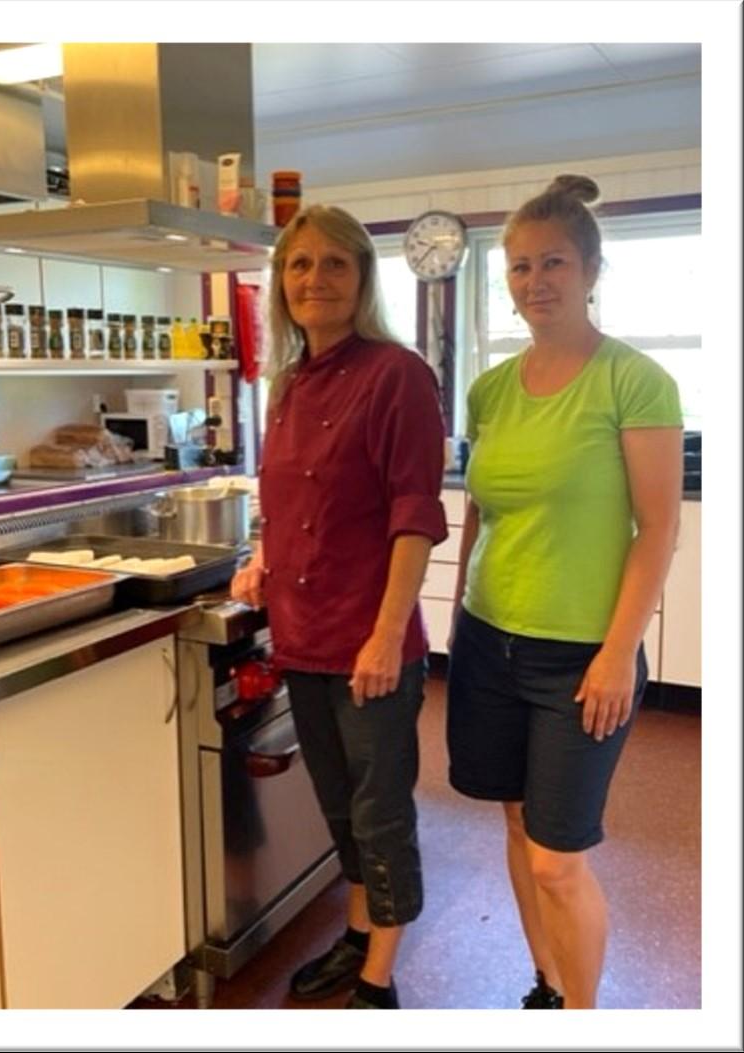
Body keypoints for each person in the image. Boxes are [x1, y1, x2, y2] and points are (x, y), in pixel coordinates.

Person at [445, 174, 683, 1009]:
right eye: (518, 265)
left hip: (579, 656)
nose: (534, 280)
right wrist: (457, 619)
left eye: (552, 262)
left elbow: (657, 526)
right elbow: (479, 513)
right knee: (515, 820)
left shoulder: (633, 380)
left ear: (589, 270)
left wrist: (618, 653)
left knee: (557, 856)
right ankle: (545, 985)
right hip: (487, 641)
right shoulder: (489, 390)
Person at [231, 204, 447, 1009]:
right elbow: (287, 501)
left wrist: (387, 635)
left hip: (368, 640)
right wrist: (261, 557)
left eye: (333, 263)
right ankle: (358, 935)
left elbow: (413, 513)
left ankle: (378, 982)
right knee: (338, 805)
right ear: (280, 282)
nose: (313, 279)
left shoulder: (397, 373)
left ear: (361, 279)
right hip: (303, 634)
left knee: (379, 811)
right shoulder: (287, 383)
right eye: (298, 264)